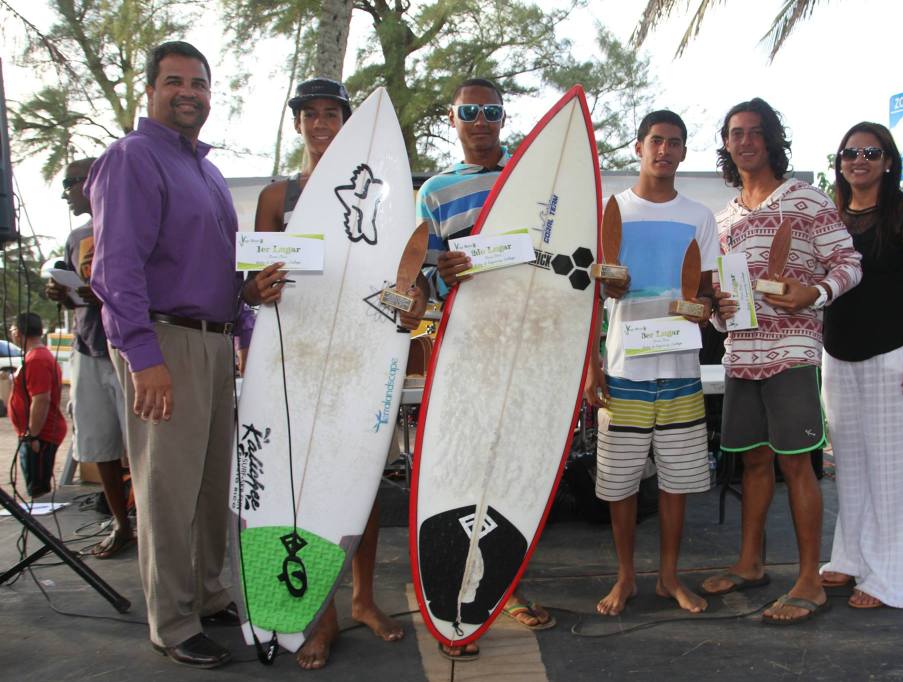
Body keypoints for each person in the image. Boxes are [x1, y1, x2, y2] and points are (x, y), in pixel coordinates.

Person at [87, 40, 284, 668]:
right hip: (165, 340)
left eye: (198, 83)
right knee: (168, 488)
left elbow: (224, 271)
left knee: (210, 484)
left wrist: (245, 323)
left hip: (215, 340)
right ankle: (171, 622)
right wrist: (144, 357)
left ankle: (205, 592)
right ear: (149, 90)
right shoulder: (132, 158)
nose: (188, 93)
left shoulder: (208, 172)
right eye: (174, 81)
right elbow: (116, 269)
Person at [252, 77, 414, 670]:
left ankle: (363, 598)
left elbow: (404, 281)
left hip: (361, 354)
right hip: (294, 355)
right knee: (302, 483)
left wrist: (411, 304)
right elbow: (251, 280)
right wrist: (255, 289)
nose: (321, 124)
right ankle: (320, 616)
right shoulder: (277, 196)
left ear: (347, 123)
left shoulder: (386, 195)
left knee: (360, 477)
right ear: (297, 123)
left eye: (332, 114)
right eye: (310, 114)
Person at [701, 98, 862, 625]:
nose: (744, 141)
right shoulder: (722, 219)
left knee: (796, 463)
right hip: (740, 353)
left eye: (754, 132)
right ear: (726, 145)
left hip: (792, 350)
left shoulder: (808, 200)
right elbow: (721, 296)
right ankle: (750, 564)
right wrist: (719, 313)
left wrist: (814, 293)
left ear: (771, 140)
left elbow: (849, 262)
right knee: (752, 461)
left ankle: (810, 579)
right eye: (735, 133)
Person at [413, 77, 555, 661]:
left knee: (518, 468)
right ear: (453, 119)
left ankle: (504, 587)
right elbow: (421, 278)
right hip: (466, 346)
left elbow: (556, 257)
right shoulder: (436, 191)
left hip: (529, 345)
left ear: (502, 117)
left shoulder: (535, 178)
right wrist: (440, 273)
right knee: (465, 467)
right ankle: (453, 597)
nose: (480, 121)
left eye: (490, 111)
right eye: (468, 111)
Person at [584, 110, 718, 617]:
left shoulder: (700, 216)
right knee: (619, 481)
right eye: (656, 140)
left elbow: (706, 293)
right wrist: (592, 365)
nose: (665, 150)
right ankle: (625, 578)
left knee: (676, 480)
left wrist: (703, 307)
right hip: (624, 370)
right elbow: (589, 298)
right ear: (639, 147)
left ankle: (668, 578)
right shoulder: (611, 211)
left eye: (675, 142)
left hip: (680, 370)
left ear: (683, 152)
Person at [819, 122, 903, 609]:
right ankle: (851, 557)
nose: (859, 160)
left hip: (897, 357)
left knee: (894, 473)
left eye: (871, 152)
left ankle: (893, 578)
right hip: (838, 356)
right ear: (840, 162)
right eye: (850, 153)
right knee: (850, 468)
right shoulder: (830, 218)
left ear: (889, 162)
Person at [44, 157, 133, 558]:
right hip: (88, 346)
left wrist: (109, 295)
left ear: (92, 181)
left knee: (143, 447)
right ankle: (121, 523)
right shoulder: (77, 236)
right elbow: (76, 290)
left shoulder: (132, 223)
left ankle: (151, 524)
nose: (66, 193)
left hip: (130, 350)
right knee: (99, 443)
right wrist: (62, 294)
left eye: (70, 184)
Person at [7, 313, 67, 499]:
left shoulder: (36, 359)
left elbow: (41, 399)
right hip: (34, 433)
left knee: (38, 491)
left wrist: (33, 435)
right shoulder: (34, 357)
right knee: (36, 485)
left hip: (40, 434)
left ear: (17, 332)